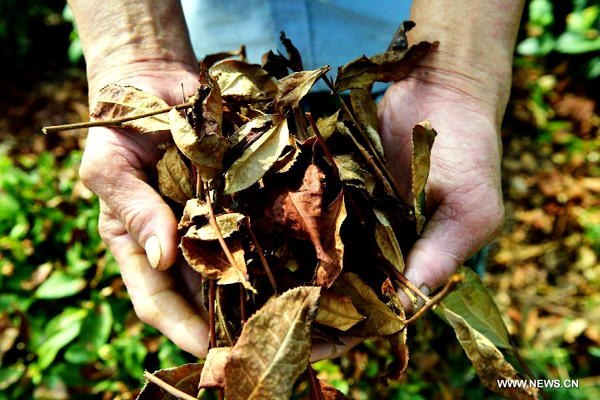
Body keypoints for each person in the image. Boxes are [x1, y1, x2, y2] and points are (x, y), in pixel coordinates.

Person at [69, 0, 524, 361]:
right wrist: (139, 54)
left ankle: (433, 333)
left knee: (427, 238)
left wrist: (457, 75)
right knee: (211, 305)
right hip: (203, 64)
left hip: (407, 53)